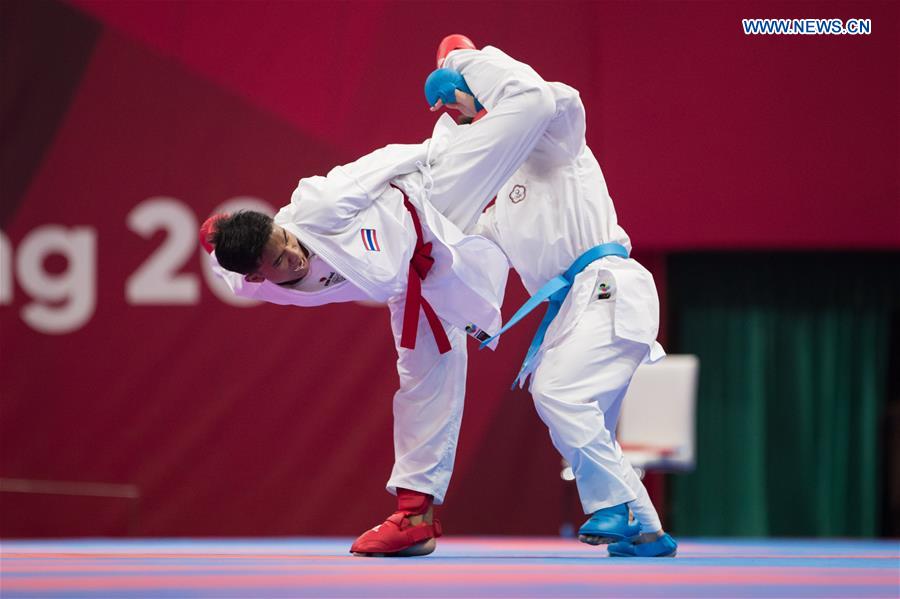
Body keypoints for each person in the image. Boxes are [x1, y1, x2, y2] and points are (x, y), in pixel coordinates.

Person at [202, 60, 557, 557]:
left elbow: (387, 158)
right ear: (259, 276)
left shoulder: (316, 207)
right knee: (423, 381)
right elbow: (222, 262)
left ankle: (463, 62)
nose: (293, 252)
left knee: (538, 104)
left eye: (284, 238)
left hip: (435, 195)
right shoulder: (251, 283)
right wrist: (213, 235)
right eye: (280, 260)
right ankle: (414, 515)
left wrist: (453, 144)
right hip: (422, 279)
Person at [432, 36, 677, 558]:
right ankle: (648, 530)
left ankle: (611, 507)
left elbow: (539, 94)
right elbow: (459, 247)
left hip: (607, 285)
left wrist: (462, 62)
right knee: (588, 422)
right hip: (575, 310)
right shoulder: (498, 209)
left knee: (556, 392)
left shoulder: (555, 139)